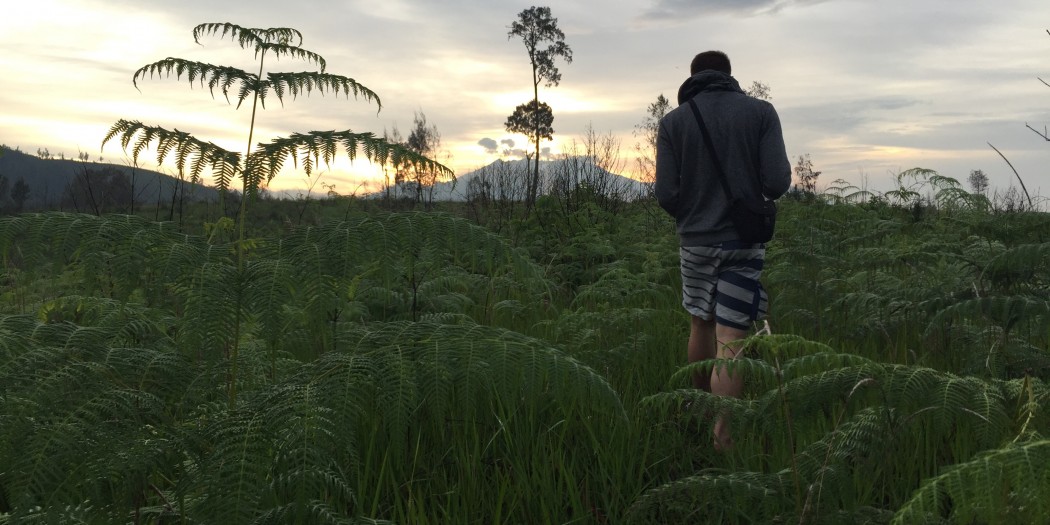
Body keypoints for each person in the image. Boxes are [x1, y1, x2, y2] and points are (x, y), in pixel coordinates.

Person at [655, 50, 791, 450]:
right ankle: (723, 435)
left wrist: (693, 214)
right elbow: (777, 182)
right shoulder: (761, 113)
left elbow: (665, 193)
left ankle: (699, 412)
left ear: (693, 77)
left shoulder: (673, 122)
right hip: (744, 243)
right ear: (729, 75)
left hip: (696, 242)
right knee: (731, 338)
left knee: (700, 323)